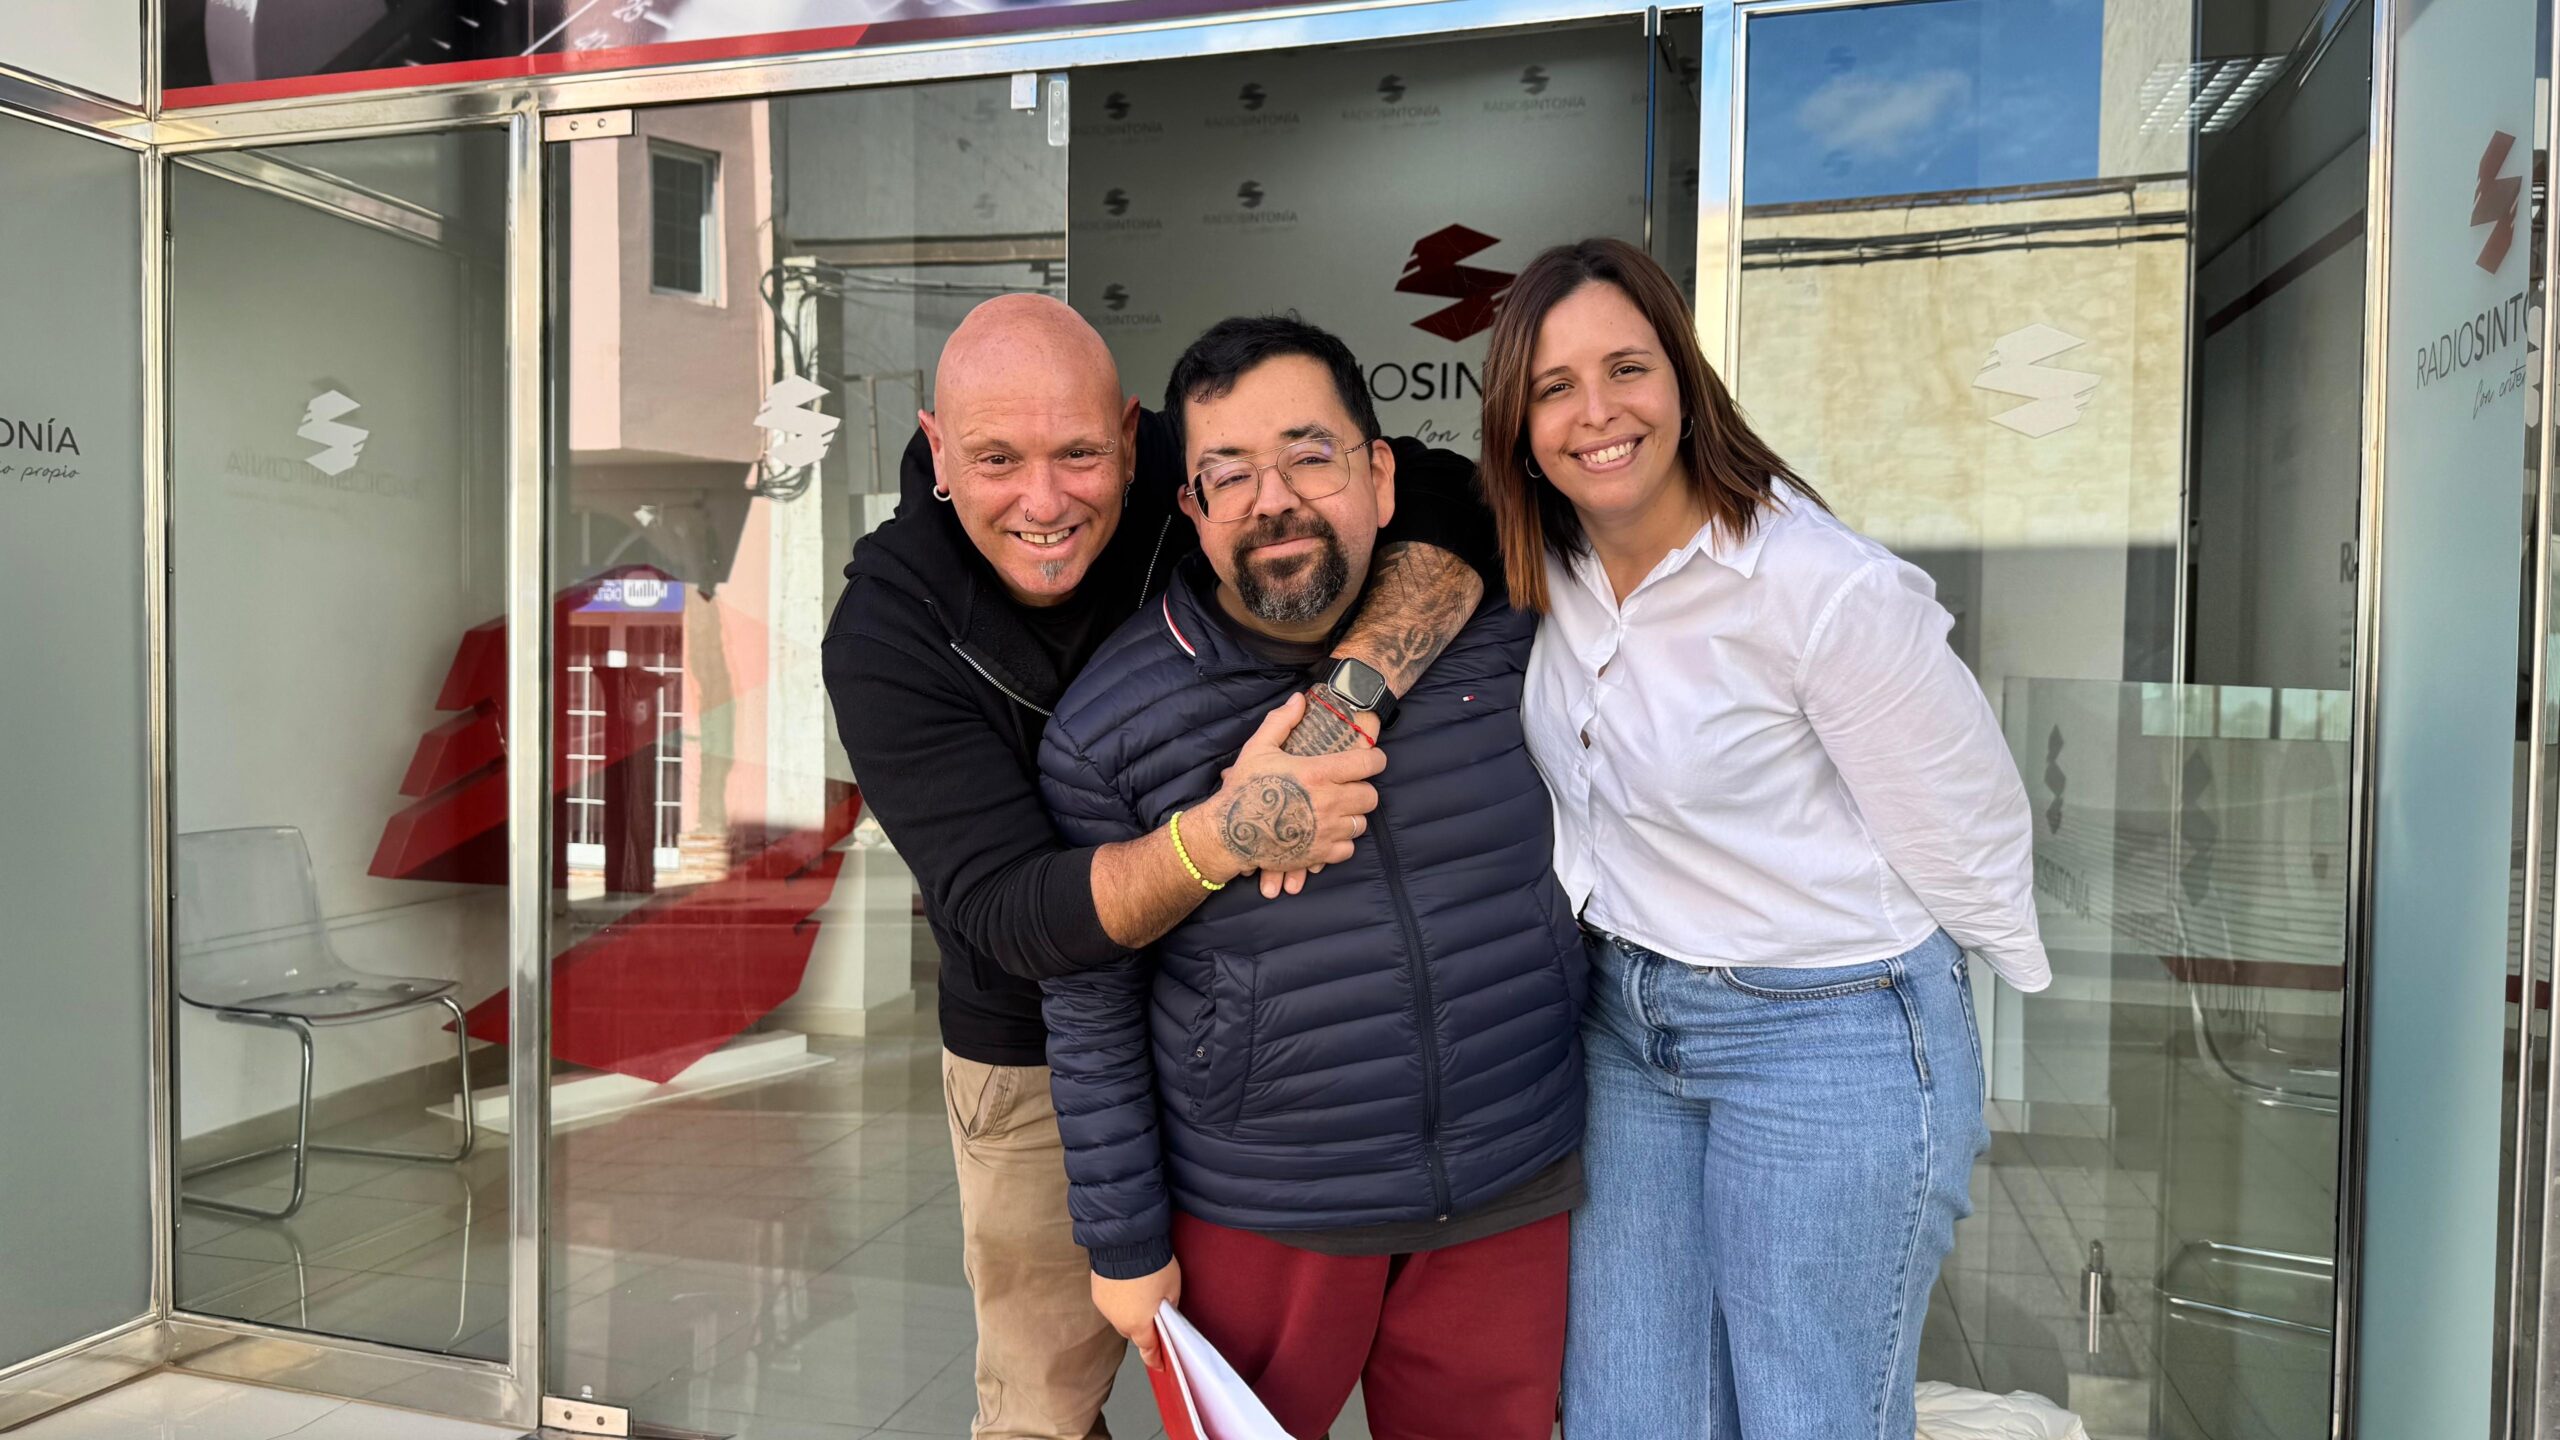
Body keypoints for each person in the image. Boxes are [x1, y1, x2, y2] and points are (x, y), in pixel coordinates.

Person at [821, 295, 1495, 1440]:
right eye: (996, 460)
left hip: (1263, 1029)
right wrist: (1227, 832)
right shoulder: (886, 631)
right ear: (936, 446)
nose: (1045, 501)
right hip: (1037, 1055)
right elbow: (1011, 913)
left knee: (1259, 1398)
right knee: (1042, 1405)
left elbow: (1441, 493)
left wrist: (1345, 703)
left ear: (1136, 441)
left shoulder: (1202, 480)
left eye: (1080, 455)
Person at [1474, 237, 2051, 1438]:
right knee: (1628, 1414)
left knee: (1806, 1414)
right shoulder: (1546, 568)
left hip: (1825, 1032)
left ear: (1683, 381)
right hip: (1625, 1030)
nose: (1596, 413)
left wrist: (1945, 1014)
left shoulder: (1817, 586)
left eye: (1626, 368)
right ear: (1518, 429)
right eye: (1553, 387)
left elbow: (1971, 823)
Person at [1037, 315, 1586, 1440]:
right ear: (1191, 510)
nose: (1273, 501)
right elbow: (1092, 1006)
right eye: (1229, 475)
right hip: (1262, 1210)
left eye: (1309, 456)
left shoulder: (1510, 631)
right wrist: (1123, 1244)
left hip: (1508, 1179)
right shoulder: (1108, 727)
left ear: (1381, 476)